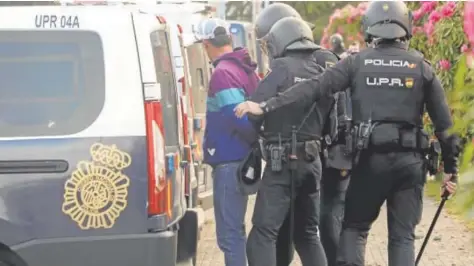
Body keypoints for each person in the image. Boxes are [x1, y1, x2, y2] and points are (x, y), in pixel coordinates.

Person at [234, 2, 459, 266]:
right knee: (402, 238)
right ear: (406, 27)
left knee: (354, 229)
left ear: (369, 28)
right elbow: (445, 127)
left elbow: (314, 88)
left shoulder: (357, 63)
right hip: (410, 166)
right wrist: (450, 171)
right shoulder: (422, 67)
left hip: (369, 163)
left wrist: (266, 105)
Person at [254, 3, 351, 266]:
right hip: (313, 160)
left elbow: (255, 110)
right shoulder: (321, 67)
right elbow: (333, 117)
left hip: (293, 162)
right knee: (306, 234)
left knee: (265, 233)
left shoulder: (286, 68)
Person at [194, 17, 259, 266]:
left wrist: (252, 138)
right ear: (230, 40)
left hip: (229, 162)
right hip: (242, 160)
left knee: (229, 236)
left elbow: (239, 117)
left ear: (206, 44)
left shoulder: (222, 73)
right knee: (236, 230)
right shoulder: (245, 69)